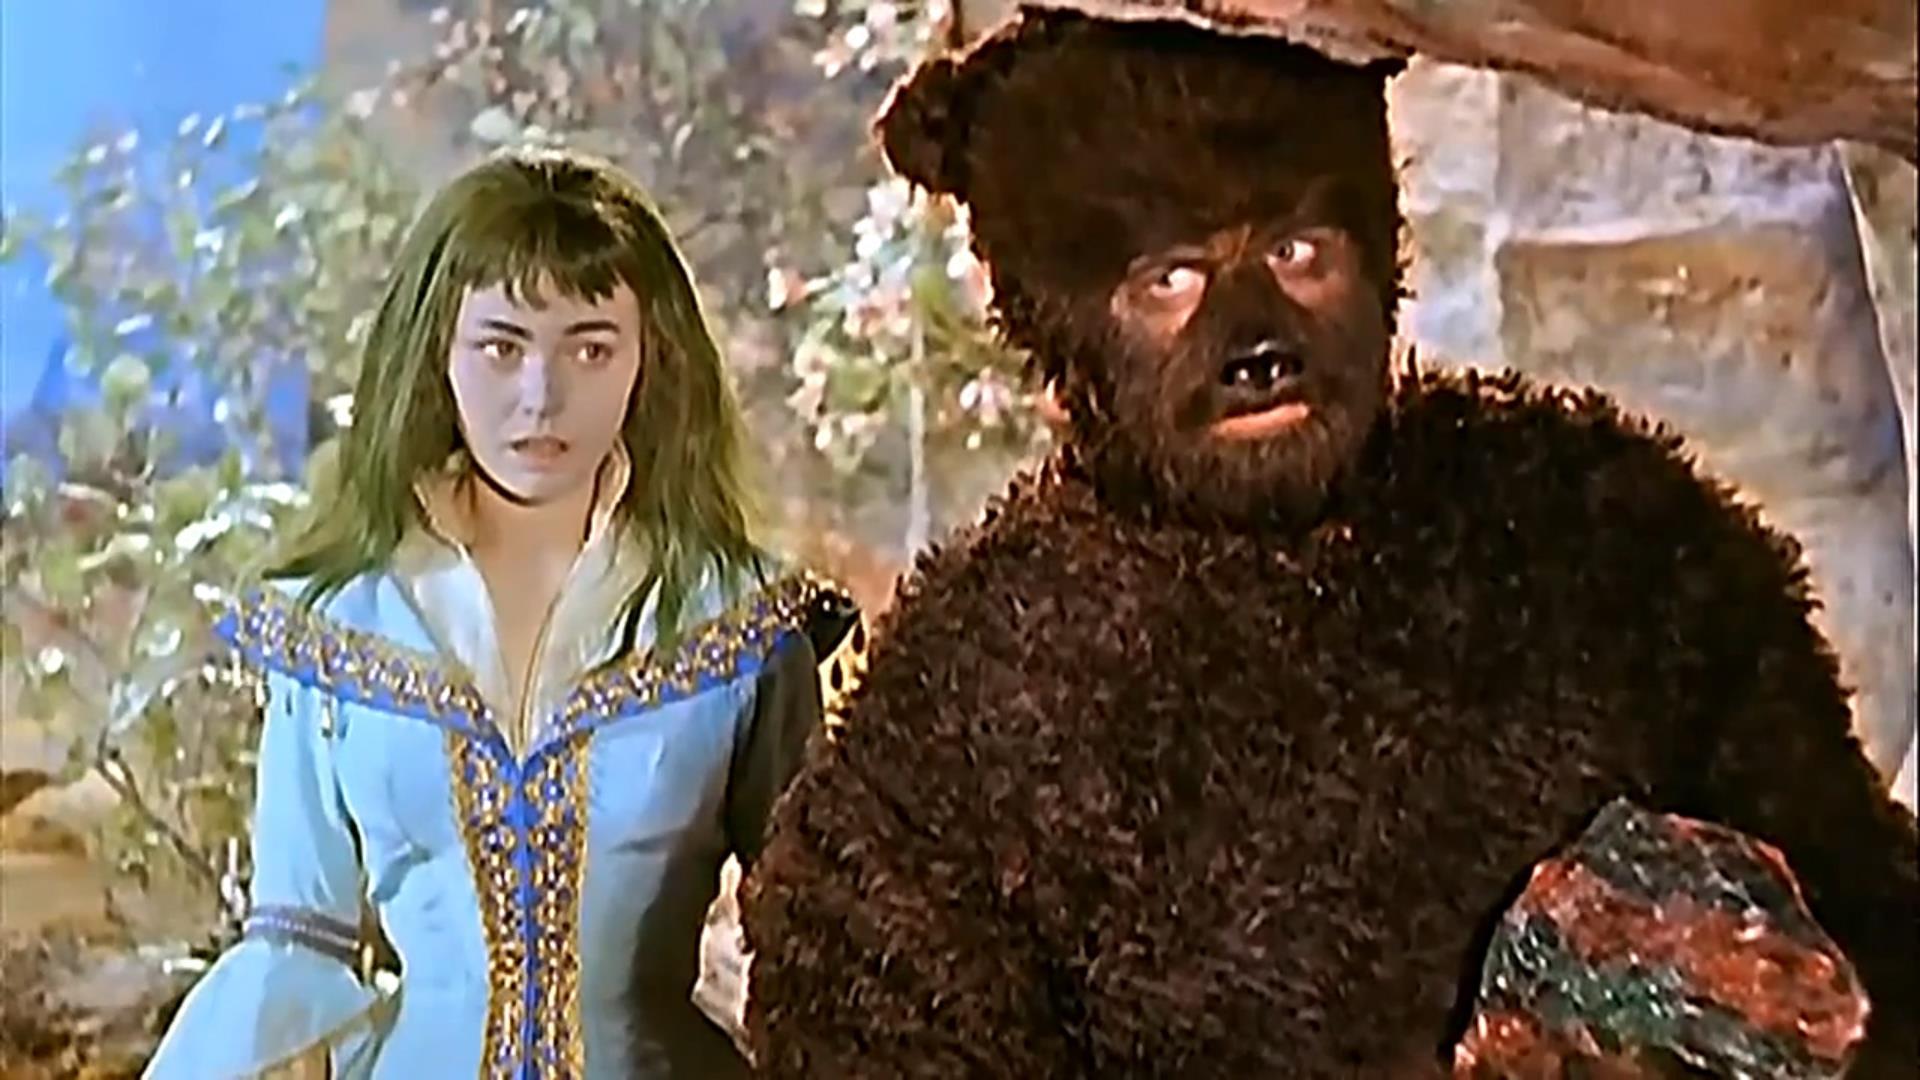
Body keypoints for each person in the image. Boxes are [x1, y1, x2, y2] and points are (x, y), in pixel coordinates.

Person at [741, 9, 1919, 1077]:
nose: (1255, 337)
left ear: (1381, 257)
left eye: (1299, 255)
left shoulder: (1613, 544)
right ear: (1059, 330)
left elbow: (1874, 939)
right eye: (1172, 282)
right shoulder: (956, 720)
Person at [145, 147, 854, 1079]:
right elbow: (295, 947)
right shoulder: (338, 624)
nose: (541, 397)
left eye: (590, 348)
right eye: (501, 347)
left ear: (650, 359)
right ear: (437, 353)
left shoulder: (741, 625)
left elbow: (827, 934)